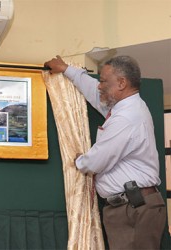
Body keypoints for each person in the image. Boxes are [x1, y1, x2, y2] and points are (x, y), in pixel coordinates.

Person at [44, 55, 166, 249]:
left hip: (134, 209)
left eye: (103, 81)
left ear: (121, 83)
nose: (99, 86)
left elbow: (95, 162)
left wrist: (79, 160)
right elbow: (93, 91)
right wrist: (66, 69)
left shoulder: (127, 116)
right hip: (129, 207)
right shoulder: (123, 107)